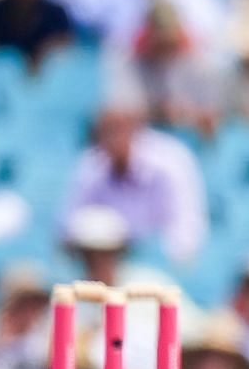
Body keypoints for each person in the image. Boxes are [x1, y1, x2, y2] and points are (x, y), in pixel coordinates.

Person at [61, 97, 209, 265]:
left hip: (158, 267)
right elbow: (67, 230)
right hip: (103, 264)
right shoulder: (91, 165)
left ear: (135, 128)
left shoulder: (170, 162)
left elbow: (187, 233)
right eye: (104, 132)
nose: (111, 139)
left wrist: (147, 256)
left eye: (117, 130)